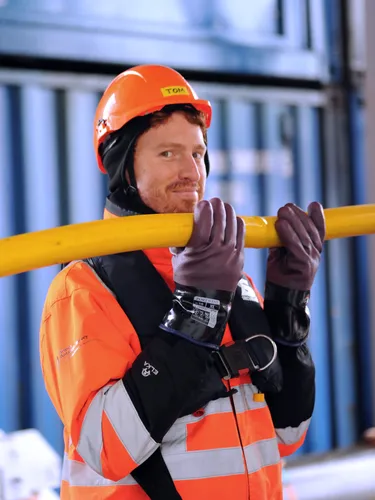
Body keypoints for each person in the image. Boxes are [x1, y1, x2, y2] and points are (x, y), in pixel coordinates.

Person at [40, 64, 326, 500]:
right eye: (168, 153)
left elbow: (288, 432)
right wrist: (197, 312)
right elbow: (106, 450)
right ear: (121, 167)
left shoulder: (229, 278)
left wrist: (289, 305)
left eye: (197, 153)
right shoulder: (82, 289)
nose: (192, 171)